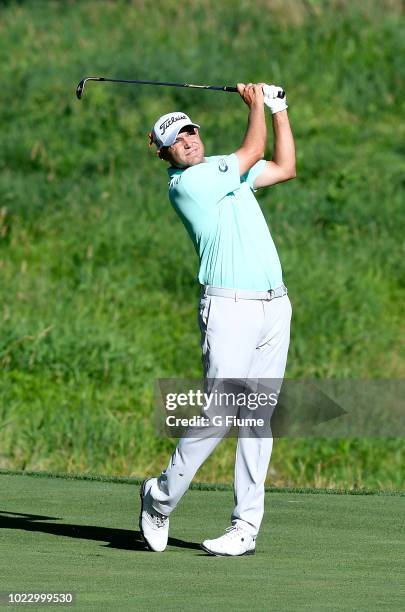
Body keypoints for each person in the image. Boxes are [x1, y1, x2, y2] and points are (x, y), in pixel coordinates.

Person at [139, 83, 296, 556]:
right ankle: (160, 498)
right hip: (229, 307)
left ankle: (245, 527)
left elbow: (286, 168)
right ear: (165, 153)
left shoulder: (224, 171)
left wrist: (279, 108)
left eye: (189, 132)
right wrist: (254, 105)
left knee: (257, 418)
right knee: (220, 412)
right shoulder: (189, 185)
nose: (187, 141)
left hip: (274, 305)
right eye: (176, 140)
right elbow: (254, 148)